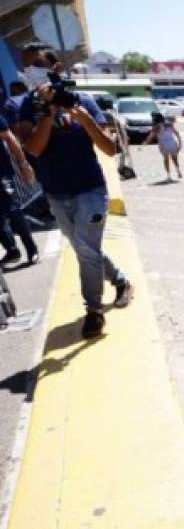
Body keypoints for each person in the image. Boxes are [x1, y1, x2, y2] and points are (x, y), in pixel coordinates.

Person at [17, 50, 133, 338]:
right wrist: (49, 113)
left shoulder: (84, 102)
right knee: (85, 250)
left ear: (56, 68)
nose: (31, 70)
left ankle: (93, 311)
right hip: (56, 193)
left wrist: (77, 112)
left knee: (85, 249)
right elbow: (33, 149)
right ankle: (121, 281)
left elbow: (109, 148)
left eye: (38, 65)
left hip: (90, 190)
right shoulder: (26, 108)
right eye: (27, 65)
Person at [0, 111, 38, 266]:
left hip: (1, 174)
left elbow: (9, 137)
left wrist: (23, 163)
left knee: (13, 210)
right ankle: (11, 250)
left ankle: (31, 248)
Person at [143, 112, 183, 180]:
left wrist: (145, 143)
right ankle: (178, 171)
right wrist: (180, 143)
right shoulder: (169, 124)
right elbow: (176, 133)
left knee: (166, 159)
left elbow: (151, 136)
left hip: (163, 144)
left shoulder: (157, 126)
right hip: (172, 143)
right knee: (174, 159)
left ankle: (169, 175)